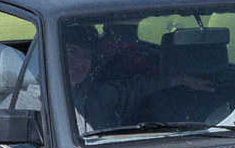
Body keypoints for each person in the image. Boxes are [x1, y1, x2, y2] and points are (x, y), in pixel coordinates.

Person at [63, 24, 214, 134]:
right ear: (55, 53)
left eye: (87, 56)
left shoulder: (99, 95)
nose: (80, 63)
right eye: (72, 52)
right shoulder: (40, 98)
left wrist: (184, 79)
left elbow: (140, 87)